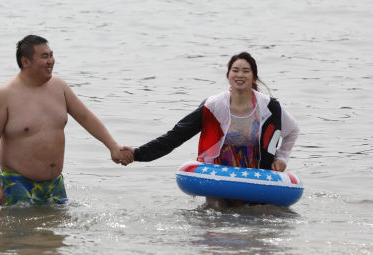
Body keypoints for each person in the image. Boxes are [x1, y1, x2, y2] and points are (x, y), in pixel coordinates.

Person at [0, 35, 126, 206]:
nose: (51, 61)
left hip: (54, 184)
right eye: (44, 56)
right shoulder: (4, 94)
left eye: (51, 55)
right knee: (16, 232)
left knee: (56, 232)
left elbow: (85, 117)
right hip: (17, 183)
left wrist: (113, 146)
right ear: (25, 61)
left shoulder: (59, 87)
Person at [118, 52, 299, 175]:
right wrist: (137, 153)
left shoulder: (269, 107)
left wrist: (282, 157)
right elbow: (176, 135)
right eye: (235, 70)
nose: (240, 75)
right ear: (228, 75)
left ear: (254, 76)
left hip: (257, 170)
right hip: (220, 171)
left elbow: (292, 131)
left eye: (246, 71)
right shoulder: (213, 107)